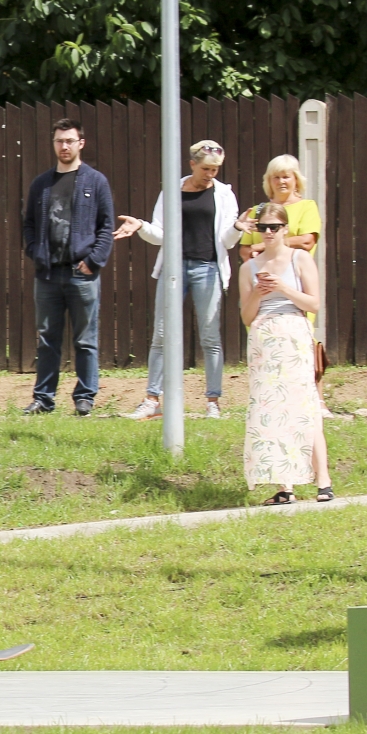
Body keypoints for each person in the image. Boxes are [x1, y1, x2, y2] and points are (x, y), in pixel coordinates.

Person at [114, 140, 244, 420]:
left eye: (215, 169)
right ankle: (152, 400)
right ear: (192, 164)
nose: (211, 174)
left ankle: (213, 402)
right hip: (173, 269)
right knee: (161, 335)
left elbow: (227, 242)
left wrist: (236, 228)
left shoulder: (224, 195)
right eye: (206, 168)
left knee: (210, 337)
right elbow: (161, 233)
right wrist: (141, 227)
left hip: (208, 268)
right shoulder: (172, 191)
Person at [21, 117, 115, 416]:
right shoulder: (42, 184)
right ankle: (43, 398)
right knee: (47, 339)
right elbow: (29, 226)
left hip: (82, 273)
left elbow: (106, 226)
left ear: (81, 143)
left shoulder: (95, 181)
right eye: (59, 141)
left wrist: (93, 261)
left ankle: (85, 397)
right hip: (48, 273)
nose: (64, 146)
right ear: (54, 144)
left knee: (85, 340)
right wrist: (35, 252)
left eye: (70, 141)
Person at [241, 202, 331, 504]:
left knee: (305, 407)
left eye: (274, 227)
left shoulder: (300, 259)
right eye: (263, 227)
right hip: (265, 340)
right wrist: (256, 291)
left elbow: (313, 303)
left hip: (293, 334)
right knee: (271, 411)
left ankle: (323, 481)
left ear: (285, 228)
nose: (268, 233)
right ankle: (284, 485)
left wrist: (282, 288)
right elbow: (247, 317)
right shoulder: (248, 267)